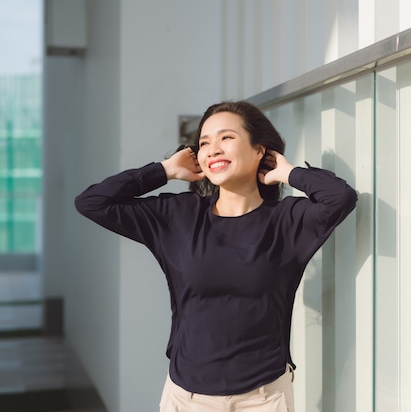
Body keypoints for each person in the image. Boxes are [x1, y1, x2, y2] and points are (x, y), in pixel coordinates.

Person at [74, 100, 358, 412]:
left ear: (260, 150)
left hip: (264, 400)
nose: (212, 149)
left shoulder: (287, 221)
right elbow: (92, 202)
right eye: (205, 143)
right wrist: (164, 170)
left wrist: (288, 172)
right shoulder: (179, 216)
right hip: (187, 399)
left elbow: (340, 198)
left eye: (226, 138)